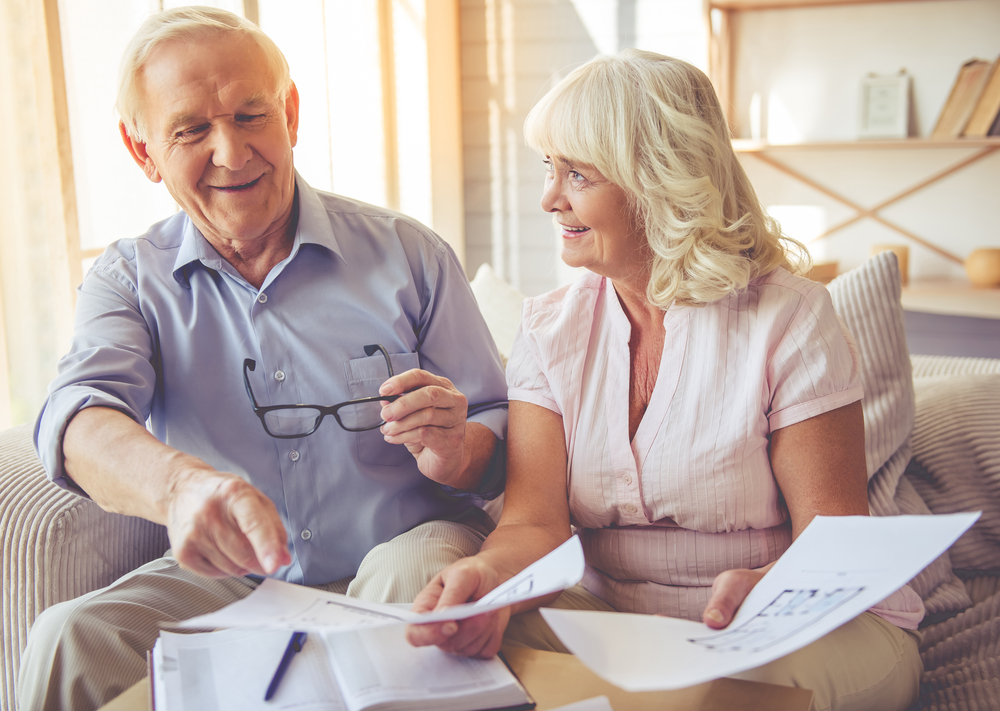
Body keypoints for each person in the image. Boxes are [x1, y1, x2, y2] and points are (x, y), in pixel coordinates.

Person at [20, 7, 507, 710]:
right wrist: (180, 488)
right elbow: (78, 417)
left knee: (404, 587)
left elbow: (499, 438)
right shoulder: (128, 280)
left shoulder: (411, 254)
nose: (232, 151)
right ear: (143, 151)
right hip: (231, 581)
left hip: (406, 546)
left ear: (291, 112)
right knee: (68, 635)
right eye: (191, 130)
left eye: (253, 116)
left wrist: (460, 450)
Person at [406, 50, 923, 711]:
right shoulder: (549, 328)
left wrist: (765, 585)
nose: (549, 198)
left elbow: (832, 544)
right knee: (457, 651)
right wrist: (488, 575)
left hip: (792, 621)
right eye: (548, 168)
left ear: (659, 181)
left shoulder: (788, 318)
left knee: (717, 698)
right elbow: (534, 523)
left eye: (577, 174)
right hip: (614, 619)